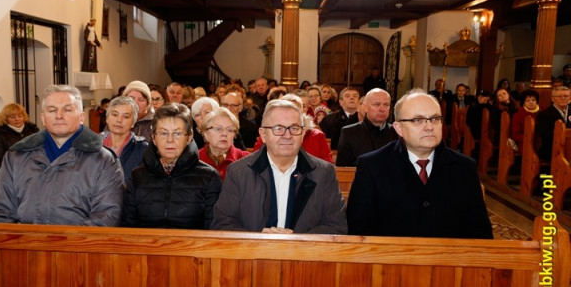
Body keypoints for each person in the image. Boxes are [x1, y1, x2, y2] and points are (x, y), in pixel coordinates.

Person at [346, 89, 493, 239]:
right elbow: (358, 232)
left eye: (435, 119)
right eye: (417, 120)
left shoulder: (464, 167)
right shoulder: (372, 166)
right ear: (399, 128)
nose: (429, 127)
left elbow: (480, 233)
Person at [0, 85, 124, 225]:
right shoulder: (16, 157)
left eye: (67, 110)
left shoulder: (103, 161)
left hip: (77, 239)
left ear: (81, 117)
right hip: (23, 239)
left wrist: (60, 240)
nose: (59, 116)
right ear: (43, 118)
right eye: (52, 110)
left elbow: (105, 218)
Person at [211, 99, 346, 234]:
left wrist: (296, 240)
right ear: (263, 134)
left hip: (305, 248)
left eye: (294, 128)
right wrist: (259, 237)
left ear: (303, 134)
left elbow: (336, 226)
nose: (287, 135)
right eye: (278, 128)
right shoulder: (238, 172)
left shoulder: (323, 173)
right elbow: (222, 224)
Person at [122, 103, 221, 229]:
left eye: (177, 133)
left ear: (189, 137)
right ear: (154, 138)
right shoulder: (138, 176)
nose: (170, 140)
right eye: (163, 133)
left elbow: (212, 228)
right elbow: (128, 226)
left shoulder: (209, 177)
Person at [335, 88, 398, 166]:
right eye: (376, 104)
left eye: (386, 105)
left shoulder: (397, 132)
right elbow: (343, 169)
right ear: (365, 107)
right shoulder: (349, 132)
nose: (382, 109)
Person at [101, 96, 148, 185]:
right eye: (115, 115)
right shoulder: (94, 145)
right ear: (107, 118)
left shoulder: (142, 149)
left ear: (133, 122)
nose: (119, 120)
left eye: (126, 116)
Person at [0, 103, 39, 180]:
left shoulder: (32, 131)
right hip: (10, 176)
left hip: (34, 172)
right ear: (5, 119)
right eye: (12, 117)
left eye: (20, 116)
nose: (17, 119)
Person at [199, 107, 250, 180]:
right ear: (205, 134)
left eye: (230, 130)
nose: (224, 134)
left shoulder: (246, 159)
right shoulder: (194, 160)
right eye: (218, 129)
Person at [535, 86, 571, 161]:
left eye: (566, 96)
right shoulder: (544, 115)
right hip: (552, 150)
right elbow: (545, 135)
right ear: (553, 99)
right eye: (559, 96)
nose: (563, 98)